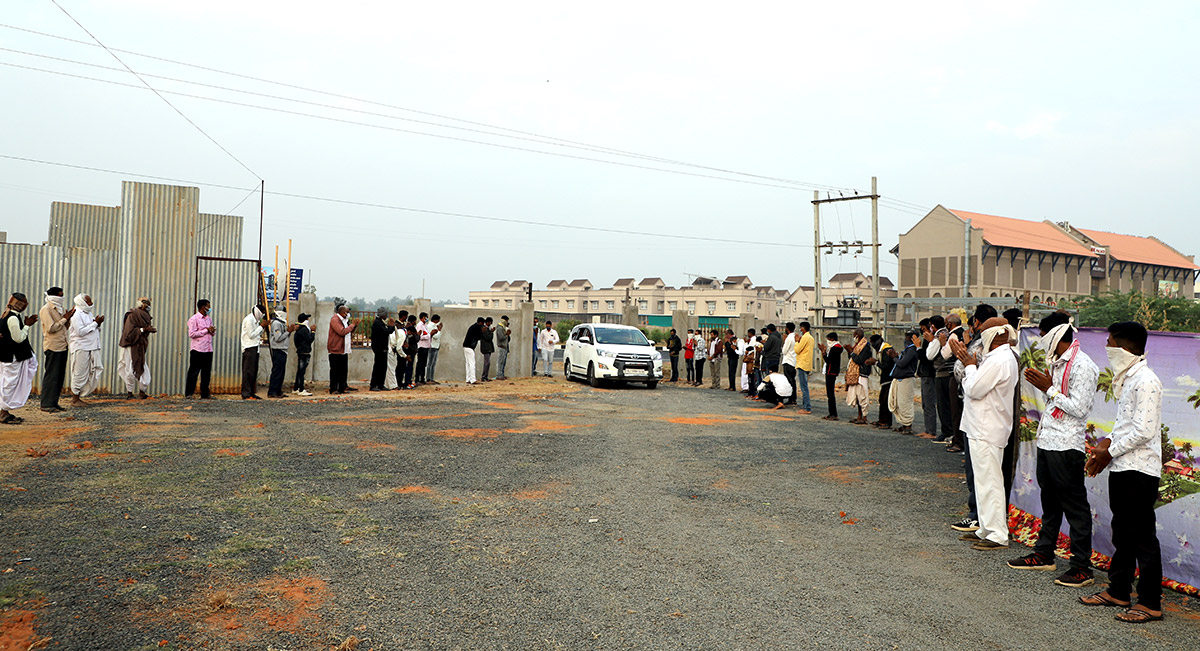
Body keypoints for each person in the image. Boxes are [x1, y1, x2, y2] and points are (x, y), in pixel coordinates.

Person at [1080, 322, 1164, 623]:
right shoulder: (1130, 379)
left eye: (1110, 343)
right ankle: (1119, 590)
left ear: (1124, 348)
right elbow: (1127, 425)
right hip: (1124, 466)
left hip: (1140, 469)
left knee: (1142, 536)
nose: (1106, 349)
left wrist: (1109, 450)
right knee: (1123, 533)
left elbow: (1144, 431)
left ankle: (1150, 602)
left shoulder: (1146, 381)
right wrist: (1107, 443)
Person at [1008, 312, 1097, 588]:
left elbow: (1079, 409)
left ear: (1056, 335)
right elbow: (1056, 403)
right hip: (1048, 441)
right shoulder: (1058, 363)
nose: (1041, 341)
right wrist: (1050, 387)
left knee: (1075, 508)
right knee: (1050, 503)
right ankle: (1044, 554)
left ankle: (1081, 567)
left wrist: (1049, 389)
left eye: (1044, 336)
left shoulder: (1083, 365)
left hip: (1067, 446)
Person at [949, 316, 1018, 551]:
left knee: (991, 483)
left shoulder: (1000, 360)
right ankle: (986, 529)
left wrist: (969, 365)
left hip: (988, 428)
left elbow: (974, 389)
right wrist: (970, 364)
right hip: (981, 427)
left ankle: (997, 534)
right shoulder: (996, 357)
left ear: (991, 336)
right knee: (983, 482)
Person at [0, 293, 39, 424]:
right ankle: (3, 412)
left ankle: (4, 411)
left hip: (8, 356)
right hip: (12, 357)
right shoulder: (12, 318)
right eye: (25, 303)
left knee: (7, 383)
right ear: (20, 304)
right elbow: (18, 338)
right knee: (9, 384)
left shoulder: (7, 315)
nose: (26, 305)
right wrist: (27, 325)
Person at [37, 287, 74, 413]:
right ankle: (46, 404)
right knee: (51, 376)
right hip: (53, 347)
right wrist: (64, 318)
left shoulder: (60, 309)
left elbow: (64, 327)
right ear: (53, 296)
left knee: (59, 377)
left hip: (62, 346)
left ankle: (54, 403)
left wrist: (68, 318)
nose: (62, 298)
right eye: (60, 295)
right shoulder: (46, 309)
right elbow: (51, 328)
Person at [67, 294, 104, 403]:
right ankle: (75, 398)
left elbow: (93, 328)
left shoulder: (88, 313)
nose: (91, 303)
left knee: (91, 371)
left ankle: (80, 395)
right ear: (82, 303)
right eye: (88, 302)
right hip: (80, 347)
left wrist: (97, 324)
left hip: (91, 346)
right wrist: (95, 323)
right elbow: (80, 332)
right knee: (79, 372)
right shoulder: (77, 314)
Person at [117, 297, 156, 399]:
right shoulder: (133, 315)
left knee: (141, 366)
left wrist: (147, 330)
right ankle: (129, 393)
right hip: (130, 346)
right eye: (146, 303)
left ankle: (142, 392)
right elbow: (129, 334)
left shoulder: (146, 316)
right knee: (129, 368)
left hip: (140, 345)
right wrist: (143, 330)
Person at [888, 329, 920, 434]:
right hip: (900, 380)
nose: (906, 338)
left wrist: (894, 358)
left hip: (906, 380)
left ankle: (908, 426)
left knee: (905, 402)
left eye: (908, 336)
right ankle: (903, 424)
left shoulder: (911, 350)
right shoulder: (907, 350)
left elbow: (902, 364)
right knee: (899, 403)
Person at [186, 299, 216, 399]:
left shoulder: (208, 319)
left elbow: (211, 333)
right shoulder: (194, 319)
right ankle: (189, 393)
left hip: (208, 349)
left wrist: (212, 331)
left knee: (206, 373)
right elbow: (192, 334)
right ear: (203, 307)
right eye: (208, 306)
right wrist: (206, 330)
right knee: (193, 372)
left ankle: (205, 394)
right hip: (197, 350)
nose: (209, 308)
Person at [845, 328, 875, 425]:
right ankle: (859, 416)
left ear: (857, 336)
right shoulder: (857, 346)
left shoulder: (865, 346)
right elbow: (852, 359)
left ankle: (864, 417)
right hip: (855, 374)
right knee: (857, 396)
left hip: (862, 373)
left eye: (854, 335)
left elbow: (859, 360)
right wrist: (849, 352)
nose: (853, 337)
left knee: (862, 396)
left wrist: (852, 352)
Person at [917, 318, 939, 439]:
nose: (923, 332)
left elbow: (925, 357)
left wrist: (918, 347)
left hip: (930, 375)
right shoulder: (928, 341)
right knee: (925, 404)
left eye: (924, 329)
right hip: (925, 374)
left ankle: (931, 431)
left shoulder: (932, 341)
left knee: (929, 403)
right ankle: (928, 429)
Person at [267, 307, 297, 398]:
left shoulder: (281, 323)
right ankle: (272, 392)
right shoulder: (276, 323)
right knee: (277, 372)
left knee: (281, 372)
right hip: (278, 349)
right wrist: (288, 331)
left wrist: (290, 331)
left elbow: (285, 336)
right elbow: (278, 338)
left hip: (282, 349)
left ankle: (278, 391)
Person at [327, 304, 357, 394]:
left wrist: (354, 326)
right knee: (335, 371)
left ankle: (342, 388)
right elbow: (341, 331)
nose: (348, 314)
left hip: (344, 349)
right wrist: (352, 325)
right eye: (347, 312)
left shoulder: (344, 320)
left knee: (343, 371)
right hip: (336, 349)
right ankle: (333, 389)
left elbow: (348, 331)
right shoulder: (335, 320)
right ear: (343, 312)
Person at [240, 305, 268, 400]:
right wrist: (261, 326)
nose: (263, 315)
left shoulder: (255, 320)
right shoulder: (249, 319)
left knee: (253, 372)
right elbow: (251, 335)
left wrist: (261, 327)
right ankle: (246, 394)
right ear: (258, 312)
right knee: (248, 372)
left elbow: (257, 334)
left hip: (255, 347)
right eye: (262, 312)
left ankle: (251, 393)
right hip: (249, 348)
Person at [871, 335, 896, 429]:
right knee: (882, 399)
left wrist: (875, 362)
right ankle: (882, 420)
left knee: (885, 400)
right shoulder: (883, 349)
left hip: (888, 379)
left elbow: (886, 366)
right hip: (886, 379)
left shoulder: (886, 350)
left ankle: (886, 422)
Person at [369, 307, 395, 391]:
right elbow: (386, 332)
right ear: (382, 314)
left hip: (383, 347)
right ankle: (373, 385)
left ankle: (380, 384)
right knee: (378, 367)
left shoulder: (381, 322)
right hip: (379, 348)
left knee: (383, 367)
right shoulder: (377, 323)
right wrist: (391, 326)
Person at [819, 333, 842, 420]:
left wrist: (824, 353)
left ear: (832, 339)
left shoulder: (834, 348)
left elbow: (828, 360)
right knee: (830, 394)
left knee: (830, 394)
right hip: (832, 371)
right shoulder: (836, 348)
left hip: (830, 372)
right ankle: (832, 413)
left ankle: (833, 413)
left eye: (828, 339)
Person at [292, 313, 314, 396]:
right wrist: (313, 332)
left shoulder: (299, 329)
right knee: (301, 372)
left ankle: (296, 388)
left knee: (300, 371)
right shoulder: (304, 329)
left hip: (301, 351)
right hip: (304, 352)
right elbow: (309, 339)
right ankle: (301, 389)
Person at [796, 322, 815, 413]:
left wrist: (797, 342)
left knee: (804, 387)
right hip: (807, 364)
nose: (800, 330)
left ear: (803, 328)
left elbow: (797, 350)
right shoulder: (811, 338)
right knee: (805, 386)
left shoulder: (805, 337)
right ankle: (805, 406)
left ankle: (807, 408)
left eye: (801, 328)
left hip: (802, 364)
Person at [463, 317, 484, 384]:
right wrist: (482, 332)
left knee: (468, 363)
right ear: (481, 322)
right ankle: (473, 379)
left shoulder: (473, 326)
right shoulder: (477, 327)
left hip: (466, 346)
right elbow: (478, 337)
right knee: (472, 363)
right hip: (470, 347)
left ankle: (468, 379)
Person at [781, 323, 798, 405]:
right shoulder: (795, 337)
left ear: (787, 329)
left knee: (789, 381)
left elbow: (784, 351)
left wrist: (784, 341)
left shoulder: (789, 338)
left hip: (788, 361)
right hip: (794, 361)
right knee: (793, 381)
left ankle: (791, 398)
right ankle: (793, 398)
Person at [401, 314, 419, 388]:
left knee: (410, 367)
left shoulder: (409, 328)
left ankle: (409, 381)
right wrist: (418, 335)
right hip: (410, 350)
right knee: (409, 367)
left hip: (411, 350)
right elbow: (416, 339)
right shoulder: (409, 329)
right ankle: (407, 382)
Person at [415, 313, 432, 384]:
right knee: (420, 363)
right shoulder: (419, 325)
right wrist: (429, 335)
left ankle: (422, 378)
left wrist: (428, 335)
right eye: (426, 317)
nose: (427, 319)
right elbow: (420, 336)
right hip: (421, 346)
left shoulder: (425, 325)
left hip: (426, 346)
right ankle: (417, 379)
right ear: (422, 317)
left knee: (424, 364)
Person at [426, 314, 443, 384]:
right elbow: (435, 337)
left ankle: (431, 378)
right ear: (435, 320)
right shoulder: (430, 326)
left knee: (433, 363)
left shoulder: (435, 326)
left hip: (436, 346)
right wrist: (439, 330)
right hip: (432, 346)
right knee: (430, 363)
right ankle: (428, 378)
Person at [495, 315, 512, 380]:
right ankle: (498, 375)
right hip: (502, 346)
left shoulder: (504, 327)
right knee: (500, 362)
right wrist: (506, 334)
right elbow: (501, 338)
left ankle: (502, 374)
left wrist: (508, 334)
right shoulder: (500, 327)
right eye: (507, 320)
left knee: (503, 362)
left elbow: (508, 339)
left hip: (505, 347)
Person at [480, 317, 496, 382]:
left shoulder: (487, 329)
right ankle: (484, 376)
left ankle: (485, 376)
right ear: (488, 322)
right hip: (486, 348)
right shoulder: (484, 329)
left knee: (486, 363)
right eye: (490, 322)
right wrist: (491, 332)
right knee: (487, 363)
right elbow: (488, 338)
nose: (491, 324)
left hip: (487, 348)